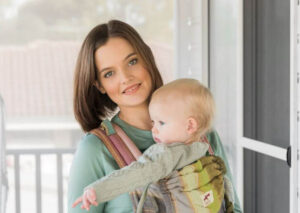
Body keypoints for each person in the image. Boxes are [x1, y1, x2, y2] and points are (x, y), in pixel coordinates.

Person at [68, 19, 242, 213]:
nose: (126, 78)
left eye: (132, 62)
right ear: (99, 85)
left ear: (147, 59)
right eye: (109, 74)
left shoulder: (201, 132)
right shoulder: (94, 151)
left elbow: (233, 208)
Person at [72, 79, 234, 212]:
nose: (153, 129)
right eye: (153, 122)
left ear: (190, 125)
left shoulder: (166, 154)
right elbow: (227, 194)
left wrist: (97, 190)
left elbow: (136, 174)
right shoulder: (205, 149)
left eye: (161, 123)